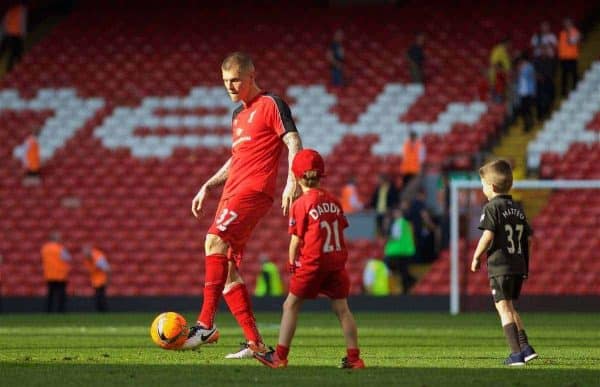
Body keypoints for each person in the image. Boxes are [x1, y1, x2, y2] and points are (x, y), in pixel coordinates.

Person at [184, 52, 303, 358]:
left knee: (213, 240)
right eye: (225, 81)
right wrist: (208, 185)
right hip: (232, 191)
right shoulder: (237, 115)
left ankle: (205, 324)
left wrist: (292, 180)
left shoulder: (271, 104)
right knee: (226, 268)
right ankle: (256, 343)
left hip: (253, 190)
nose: (230, 86)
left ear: (251, 76)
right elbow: (236, 158)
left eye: (235, 79)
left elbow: (293, 142)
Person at [254, 149, 365, 369]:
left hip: (313, 262)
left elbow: (296, 241)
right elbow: (340, 228)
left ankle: (280, 357)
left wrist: (292, 263)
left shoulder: (301, 204)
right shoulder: (334, 201)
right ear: (321, 175)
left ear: (296, 176)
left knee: (291, 305)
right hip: (336, 262)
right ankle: (354, 359)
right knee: (343, 310)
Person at [470, 159, 538, 366]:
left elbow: (488, 235)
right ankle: (526, 348)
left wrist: (476, 256)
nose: (482, 188)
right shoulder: (517, 208)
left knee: (503, 308)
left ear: (491, 187)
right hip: (518, 265)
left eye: (482, 185)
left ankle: (516, 354)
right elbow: (529, 239)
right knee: (510, 306)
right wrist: (524, 262)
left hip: (500, 266)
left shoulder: (492, 207)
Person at [383, 206, 417, 294]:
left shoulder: (398, 223)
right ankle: (407, 286)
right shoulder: (405, 223)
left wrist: (388, 237)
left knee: (391, 264)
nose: (394, 214)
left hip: (398, 251)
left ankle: (410, 282)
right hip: (406, 250)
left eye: (396, 212)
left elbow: (396, 236)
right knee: (403, 270)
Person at [41, 232, 72, 313]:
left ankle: (48, 311)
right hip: (60, 275)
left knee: (50, 294)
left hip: (49, 274)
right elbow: (68, 258)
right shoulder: (60, 248)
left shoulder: (45, 248)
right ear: (56, 239)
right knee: (61, 295)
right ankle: (61, 311)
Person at [368, 173, 399, 237]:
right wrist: (370, 207)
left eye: (379, 180)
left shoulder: (392, 188)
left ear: (384, 180)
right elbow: (374, 200)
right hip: (378, 211)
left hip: (387, 212)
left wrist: (390, 208)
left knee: (386, 227)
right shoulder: (379, 189)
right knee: (379, 228)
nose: (378, 181)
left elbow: (395, 200)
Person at [82, 245, 110, 312]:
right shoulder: (86, 259)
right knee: (98, 296)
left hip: (101, 279)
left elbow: (107, 269)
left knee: (100, 296)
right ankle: (100, 310)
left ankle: (103, 311)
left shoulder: (98, 257)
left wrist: (108, 279)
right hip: (95, 280)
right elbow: (89, 270)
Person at [0, 1, 27, 72]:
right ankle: (10, 69)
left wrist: (2, 35)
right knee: (16, 52)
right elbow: (22, 23)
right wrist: (23, 35)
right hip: (16, 34)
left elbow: (4, 22)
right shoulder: (22, 10)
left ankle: (11, 68)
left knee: (3, 50)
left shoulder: (11, 10)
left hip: (7, 33)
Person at [558, 18, 581, 97]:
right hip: (564, 58)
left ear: (571, 23)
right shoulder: (562, 33)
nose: (566, 25)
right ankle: (564, 91)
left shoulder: (575, 32)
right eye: (565, 23)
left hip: (572, 57)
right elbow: (561, 45)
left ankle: (575, 89)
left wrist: (569, 34)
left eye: (568, 23)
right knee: (564, 75)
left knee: (574, 74)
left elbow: (572, 42)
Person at [515, 52, 536, 132]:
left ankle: (529, 124)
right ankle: (527, 124)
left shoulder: (529, 67)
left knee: (527, 109)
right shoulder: (519, 67)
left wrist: (533, 91)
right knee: (523, 109)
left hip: (528, 91)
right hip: (521, 91)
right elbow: (518, 79)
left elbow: (532, 79)